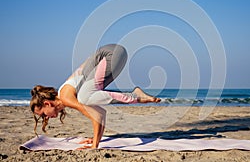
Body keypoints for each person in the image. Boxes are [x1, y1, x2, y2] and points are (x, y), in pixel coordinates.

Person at [30, 44, 161, 149]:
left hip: (110, 55)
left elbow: (96, 117)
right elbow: (101, 114)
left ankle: (135, 96)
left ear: (47, 103)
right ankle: (135, 95)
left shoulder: (65, 97)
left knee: (84, 97)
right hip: (116, 54)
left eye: (43, 114)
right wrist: (96, 139)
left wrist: (94, 146)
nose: (45, 118)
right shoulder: (71, 94)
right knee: (87, 97)